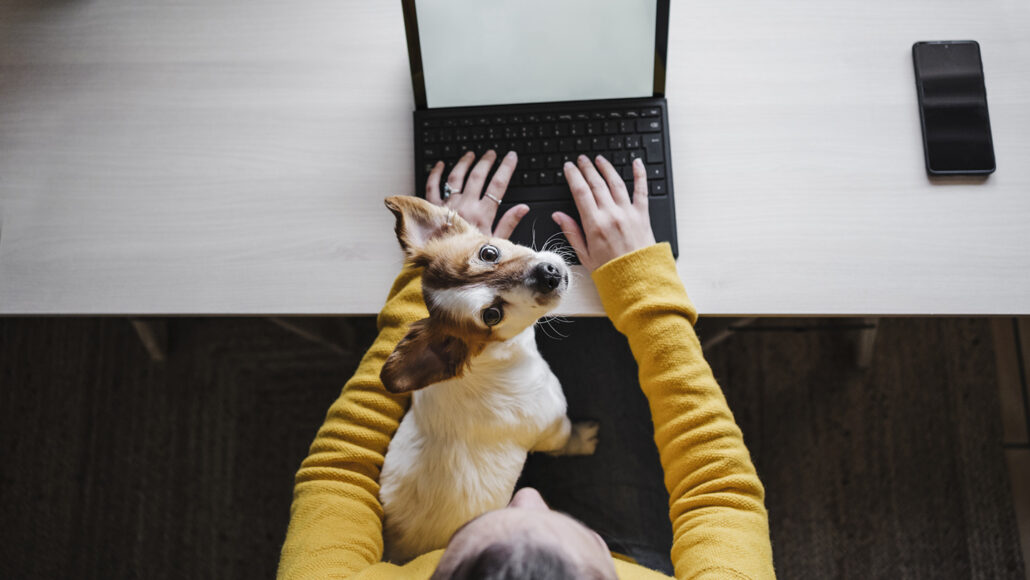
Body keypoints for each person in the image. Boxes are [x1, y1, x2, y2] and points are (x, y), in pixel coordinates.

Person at [277, 150, 776, 579]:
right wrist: (642, 286)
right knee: (600, 345)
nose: (529, 494)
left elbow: (339, 472)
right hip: (620, 528)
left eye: (469, 536)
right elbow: (718, 490)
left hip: (443, 488)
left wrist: (437, 273)